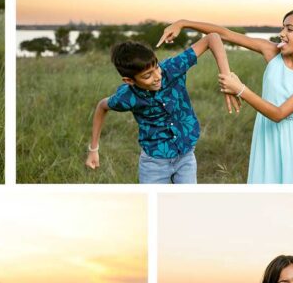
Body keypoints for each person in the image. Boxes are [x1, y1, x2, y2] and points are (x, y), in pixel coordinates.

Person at [158, 12, 293, 183]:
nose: (282, 33)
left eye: (290, 29)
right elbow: (225, 34)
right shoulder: (272, 51)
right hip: (265, 132)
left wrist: (240, 89)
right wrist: (183, 23)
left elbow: (279, 113)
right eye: (283, 27)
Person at [85, 34, 238, 184]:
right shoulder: (126, 97)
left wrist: (227, 78)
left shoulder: (172, 69)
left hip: (186, 156)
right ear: (129, 80)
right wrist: (93, 149)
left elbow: (212, 38)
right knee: (153, 205)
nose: (157, 76)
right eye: (147, 76)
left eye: (156, 67)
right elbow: (101, 106)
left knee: (188, 205)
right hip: (154, 163)